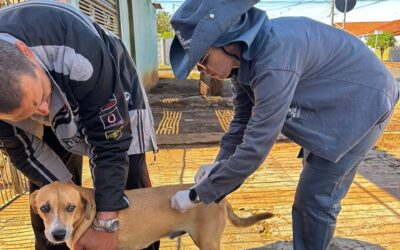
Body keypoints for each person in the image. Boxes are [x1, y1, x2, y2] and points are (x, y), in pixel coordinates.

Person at [169, 0, 400, 249]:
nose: (203, 70)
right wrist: (218, 164)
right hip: (327, 101)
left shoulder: (274, 58)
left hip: (364, 102)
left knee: (315, 196)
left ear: (228, 40)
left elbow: (257, 144)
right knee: (313, 183)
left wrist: (199, 194)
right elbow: (241, 123)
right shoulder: (243, 60)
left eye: (203, 59)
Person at [0, 1, 159, 250]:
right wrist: (68, 195)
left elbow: (110, 144)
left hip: (102, 82)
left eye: (41, 98)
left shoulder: (79, 54)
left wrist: (106, 223)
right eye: (29, 112)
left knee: (130, 180)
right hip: (49, 78)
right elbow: (22, 152)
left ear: (26, 52)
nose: (45, 112)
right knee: (51, 195)